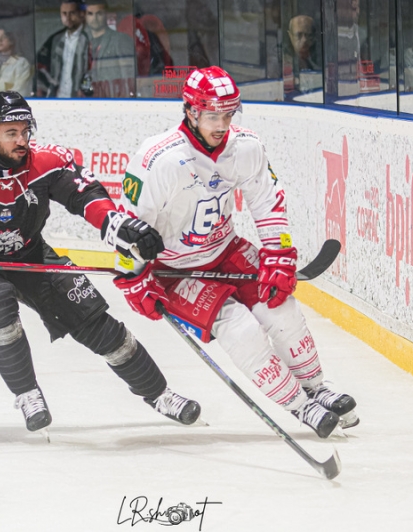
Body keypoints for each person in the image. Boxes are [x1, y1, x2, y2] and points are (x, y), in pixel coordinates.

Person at [0, 91, 201, 432]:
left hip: (30, 251)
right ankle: (27, 393)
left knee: (91, 318)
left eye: (24, 131)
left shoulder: (49, 161)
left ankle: (160, 394)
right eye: (10, 133)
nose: (21, 140)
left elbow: (86, 196)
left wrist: (118, 224)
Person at [112, 67, 358, 439]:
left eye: (228, 114)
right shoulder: (158, 158)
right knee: (241, 331)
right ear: (191, 111)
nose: (221, 124)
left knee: (283, 310)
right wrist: (133, 277)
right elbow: (130, 224)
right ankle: (299, 405)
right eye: (213, 115)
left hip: (225, 250)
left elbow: (267, 201)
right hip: (175, 271)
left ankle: (316, 387)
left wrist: (278, 254)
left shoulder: (245, 146)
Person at [35, 1, 92, 97]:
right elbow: (40, 65)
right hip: (58, 98)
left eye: (72, 13)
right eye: (64, 13)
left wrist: (86, 90)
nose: (67, 18)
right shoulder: (55, 39)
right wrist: (50, 86)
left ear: (81, 14)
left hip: (81, 99)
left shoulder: (89, 38)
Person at [85, 0, 136, 97]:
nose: (94, 18)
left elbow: (129, 79)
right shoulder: (82, 43)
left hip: (113, 102)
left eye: (99, 13)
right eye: (90, 14)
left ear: (106, 15)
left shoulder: (121, 40)